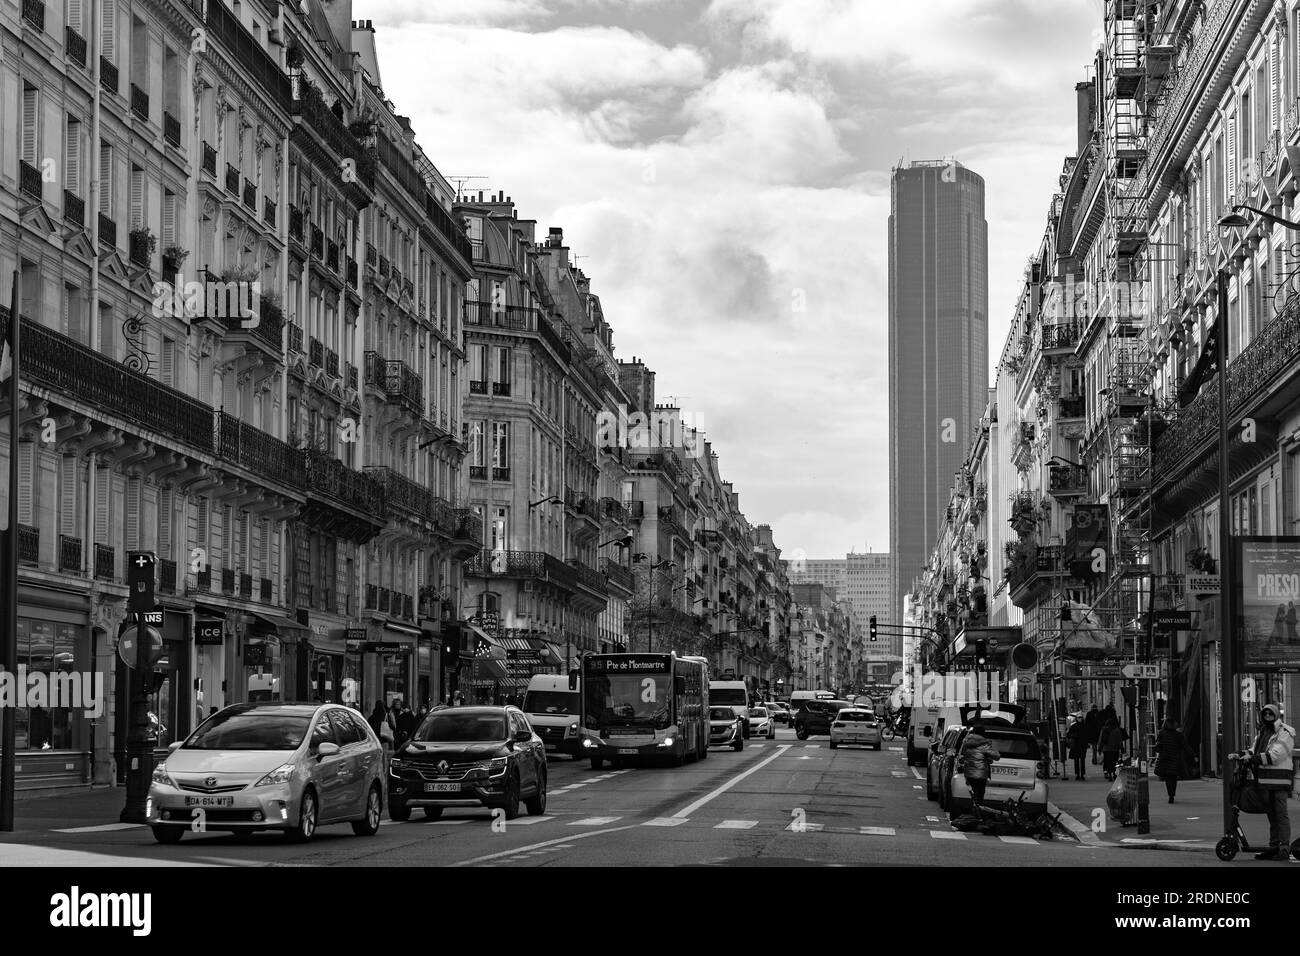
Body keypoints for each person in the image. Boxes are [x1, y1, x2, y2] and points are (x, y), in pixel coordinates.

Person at [1234, 703, 1294, 860]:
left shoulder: (1284, 733)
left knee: (1280, 814)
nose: (1267, 716)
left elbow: (1275, 756)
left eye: (1270, 714)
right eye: (1265, 714)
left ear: (1276, 715)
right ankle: (1274, 847)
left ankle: (1284, 848)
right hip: (1265, 780)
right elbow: (1254, 750)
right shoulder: (1263, 732)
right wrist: (1240, 754)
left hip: (1279, 780)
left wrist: (1252, 758)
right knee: (1272, 814)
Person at [958, 724, 1000, 807]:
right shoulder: (984, 744)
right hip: (980, 774)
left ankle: (973, 806)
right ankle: (978, 809)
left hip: (968, 773)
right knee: (980, 793)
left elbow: (966, 756)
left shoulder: (966, 742)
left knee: (973, 791)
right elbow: (996, 756)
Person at [1154, 717, 1190, 803]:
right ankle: (1172, 794)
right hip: (1175, 759)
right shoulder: (1178, 735)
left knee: (1167, 779)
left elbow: (1158, 745)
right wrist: (1193, 755)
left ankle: (1170, 794)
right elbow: (1185, 746)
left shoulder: (1161, 733)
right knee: (1173, 778)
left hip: (1165, 758)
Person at [1066, 713, 1089, 781]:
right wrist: (1074, 736)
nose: (1080, 719)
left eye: (1081, 717)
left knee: (1082, 760)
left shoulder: (1084, 726)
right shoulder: (1075, 726)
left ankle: (1081, 774)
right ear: (1076, 718)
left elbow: (1087, 735)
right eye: (1079, 717)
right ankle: (1078, 774)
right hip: (1076, 745)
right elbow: (1068, 735)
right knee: (1077, 760)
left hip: (1082, 745)